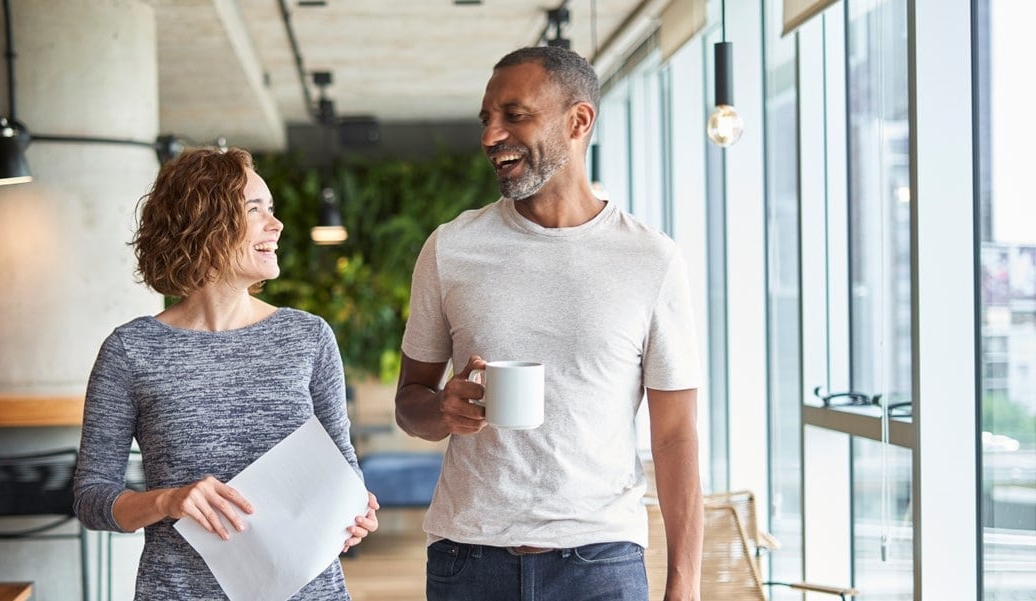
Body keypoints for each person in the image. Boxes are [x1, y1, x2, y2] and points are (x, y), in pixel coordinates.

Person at [394, 46, 703, 601]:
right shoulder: (451, 248)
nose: (491, 136)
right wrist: (442, 408)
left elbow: (675, 435)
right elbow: (409, 403)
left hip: (600, 563)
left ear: (578, 120)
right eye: (486, 119)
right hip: (468, 559)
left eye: (514, 115)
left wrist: (685, 583)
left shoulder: (651, 259)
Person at [74, 146, 379, 599]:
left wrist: (357, 513)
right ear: (203, 225)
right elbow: (91, 498)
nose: (275, 225)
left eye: (271, 210)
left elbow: (344, 475)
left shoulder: (307, 337)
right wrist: (166, 500)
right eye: (254, 210)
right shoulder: (131, 350)